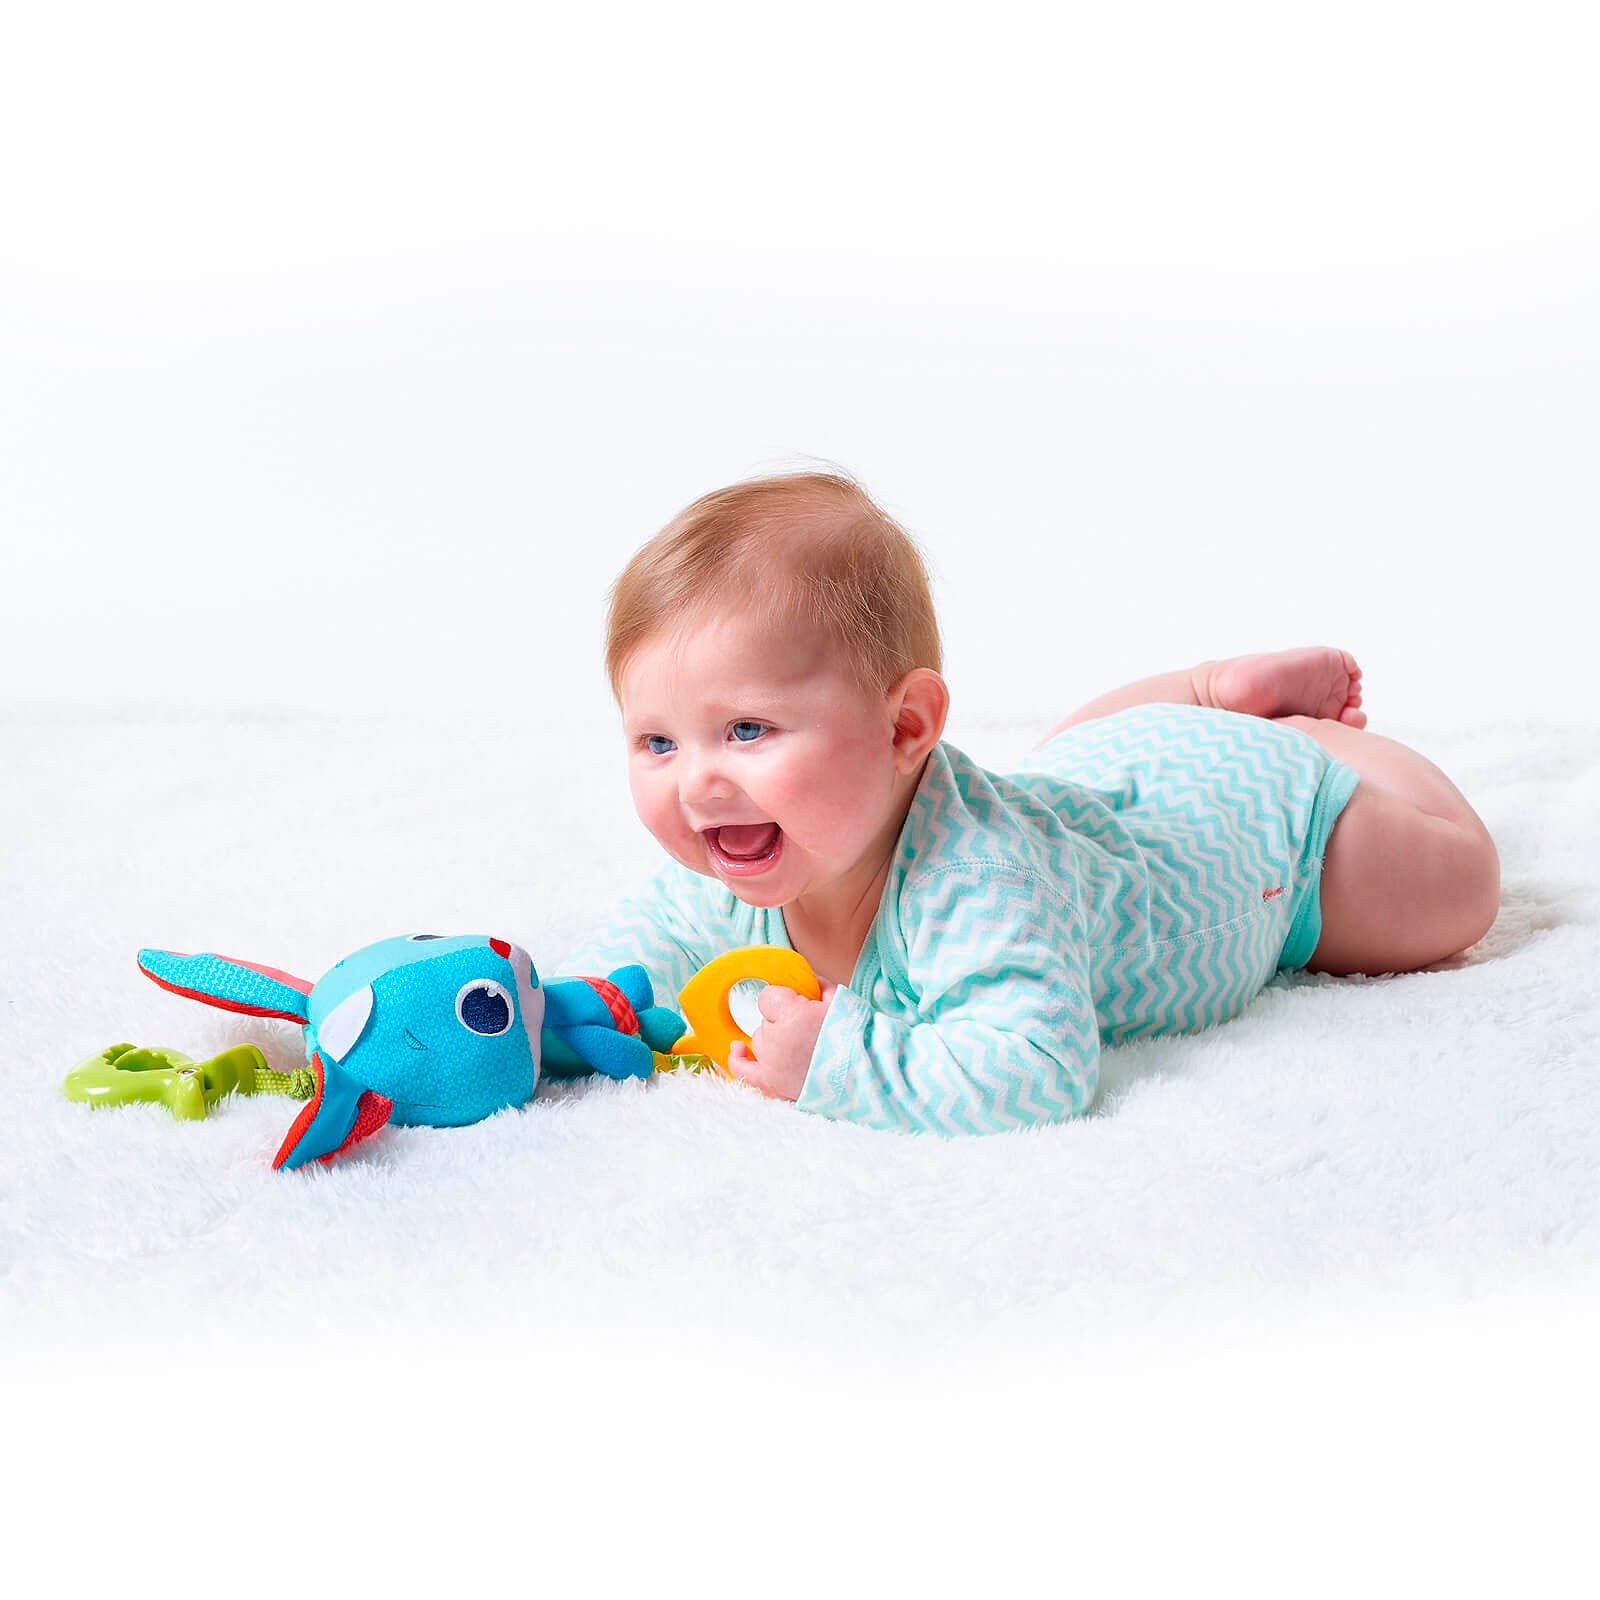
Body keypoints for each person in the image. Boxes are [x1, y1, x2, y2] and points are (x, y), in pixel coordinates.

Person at [559, 471, 1499, 1135]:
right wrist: (573, 1007)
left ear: (905, 728)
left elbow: (1040, 1070)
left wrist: (841, 1064)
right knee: (1059, 766)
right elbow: (651, 934)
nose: (697, 782)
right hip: (1104, 770)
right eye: (658, 743)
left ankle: (1307, 737)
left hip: (1261, 840)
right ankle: (1202, 693)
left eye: (747, 730)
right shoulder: (746, 849)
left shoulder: (982, 882)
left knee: (1459, 893)